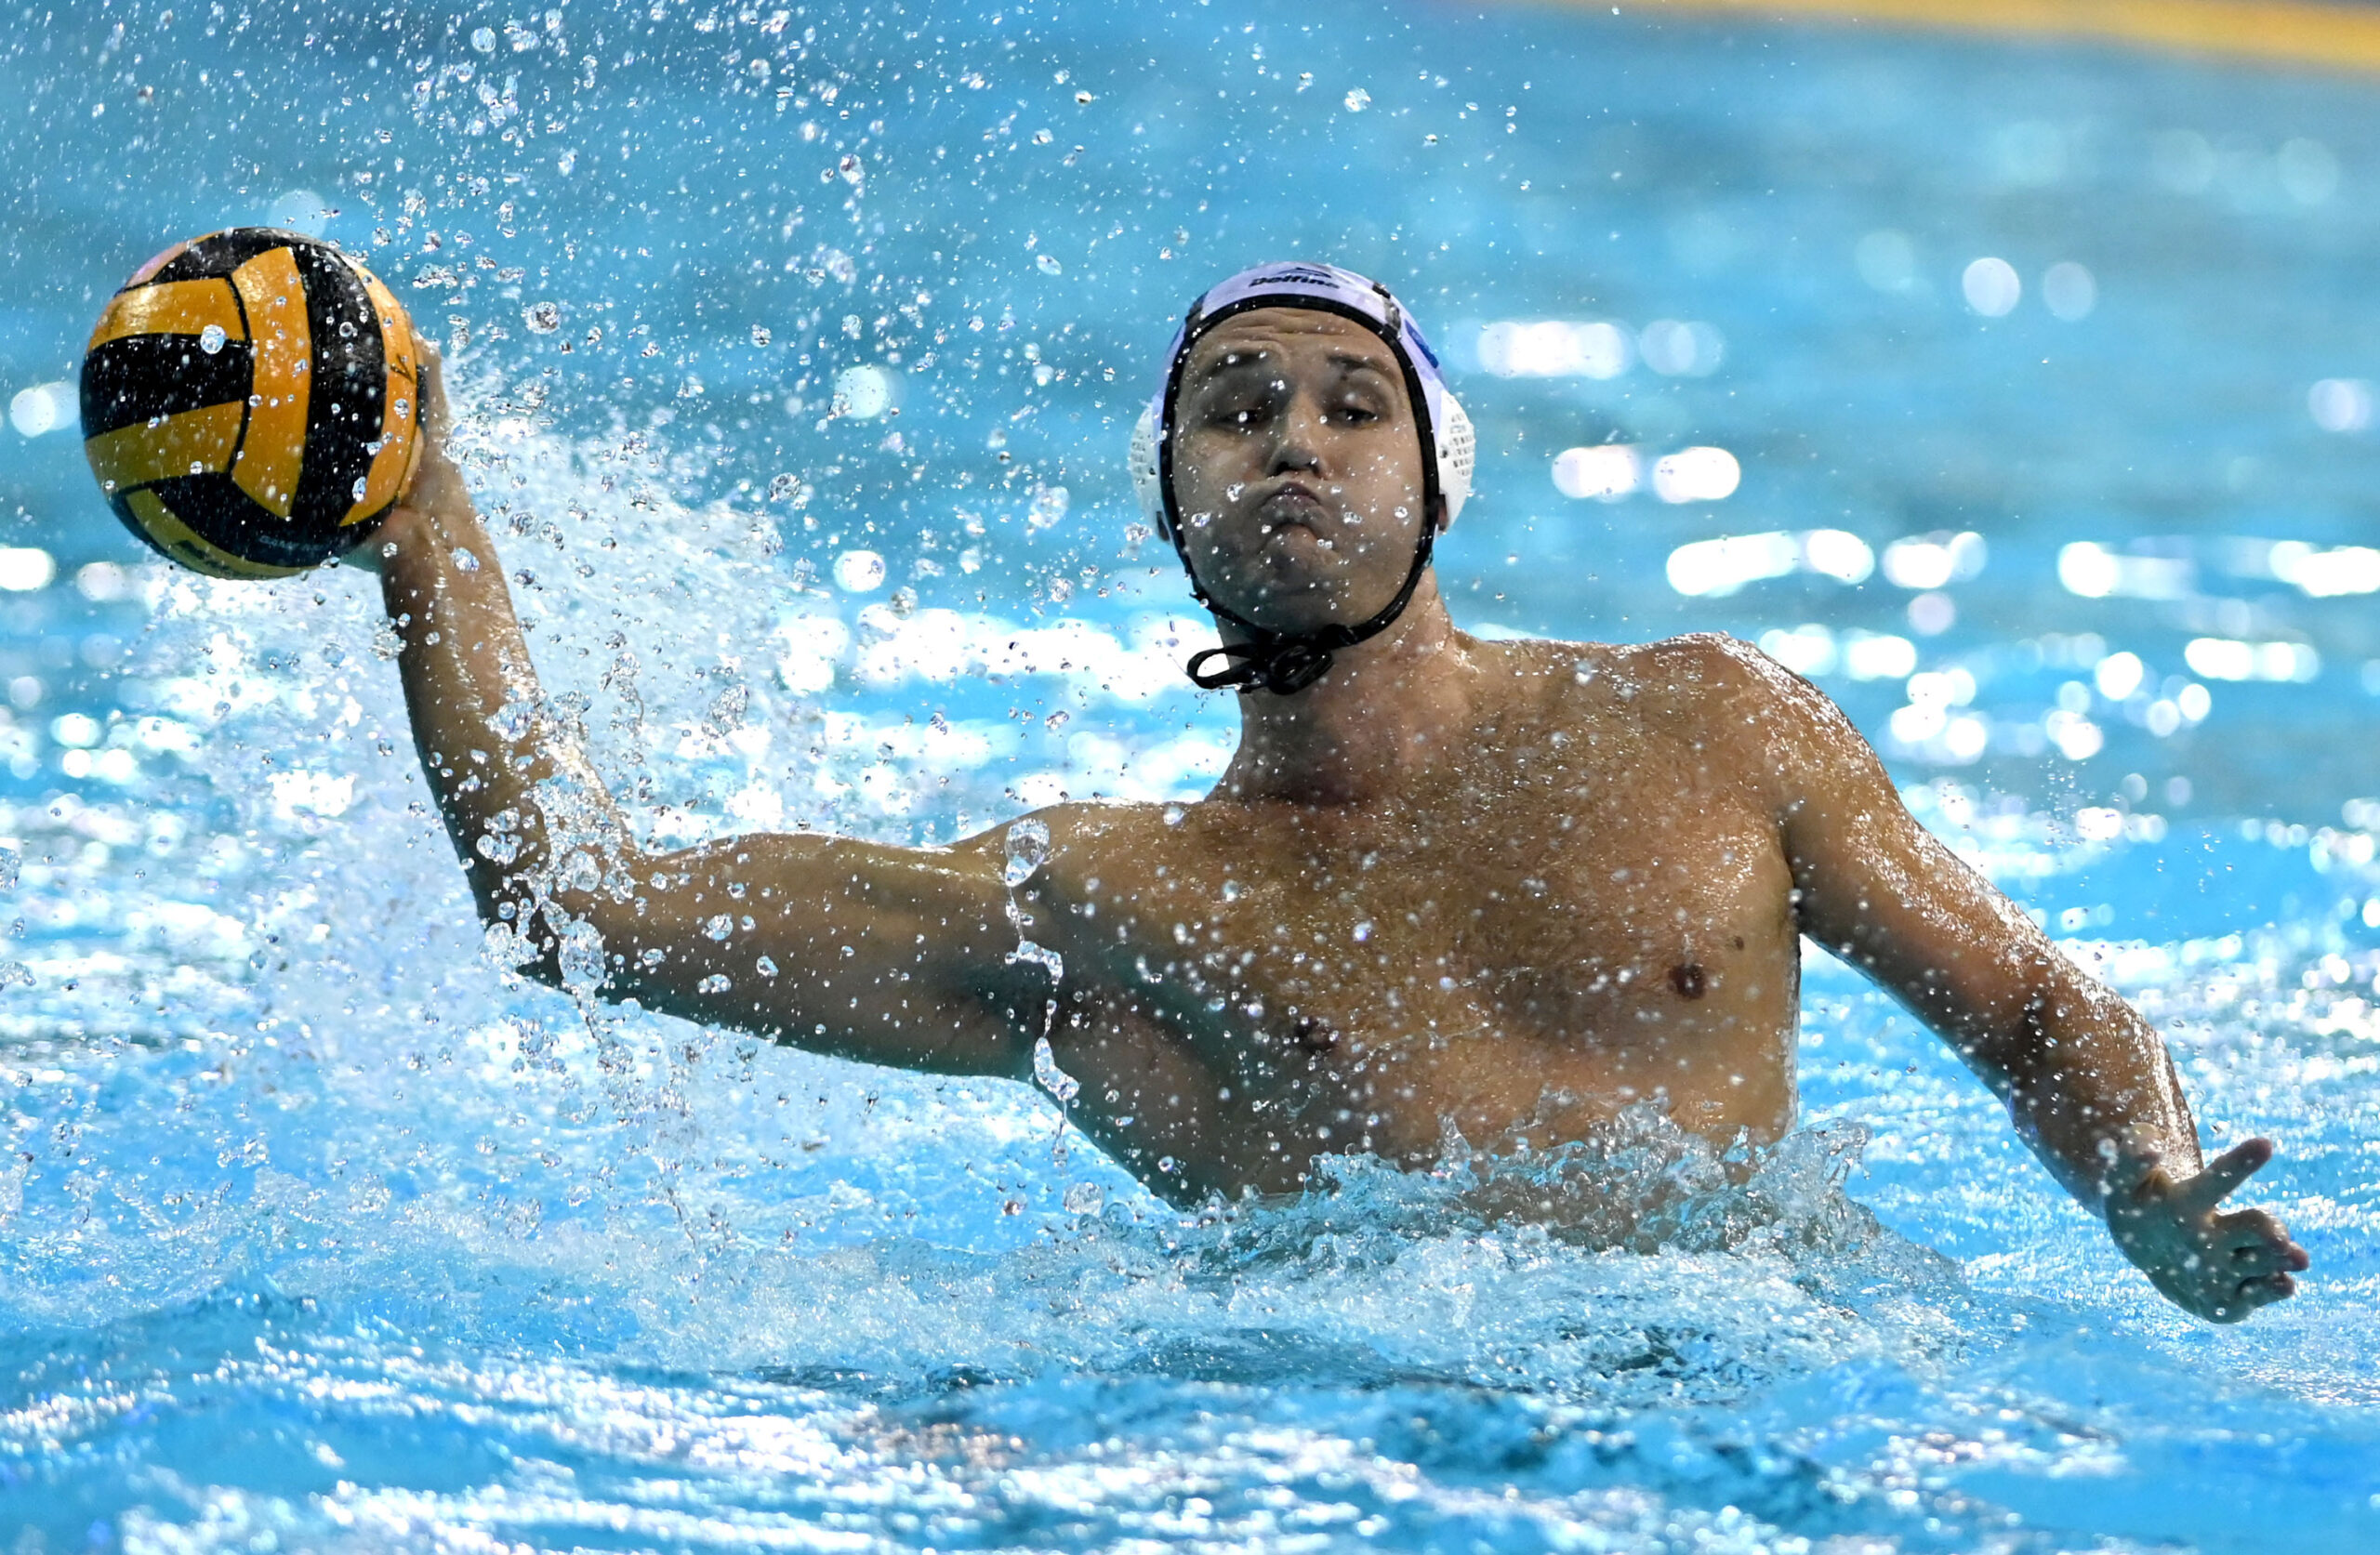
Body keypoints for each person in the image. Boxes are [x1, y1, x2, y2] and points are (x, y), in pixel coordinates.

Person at [354, 261, 2307, 1323]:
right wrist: (422, 521)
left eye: (1347, 406)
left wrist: (2133, 1179)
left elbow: (2034, 1009)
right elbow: (576, 911)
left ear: (1435, 481)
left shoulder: (1712, 731)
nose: (1290, 437)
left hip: (1762, 1396)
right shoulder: (1099, 907)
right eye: (1232, 408)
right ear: (1170, 500)